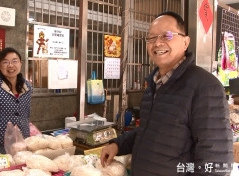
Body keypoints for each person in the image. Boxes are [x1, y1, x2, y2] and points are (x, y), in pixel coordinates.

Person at [100, 11, 233, 175]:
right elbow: (150, 131)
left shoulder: (205, 87)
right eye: (152, 37)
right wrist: (118, 145)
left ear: (186, 42)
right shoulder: (154, 84)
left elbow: (216, 161)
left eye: (166, 36)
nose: (157, 43)